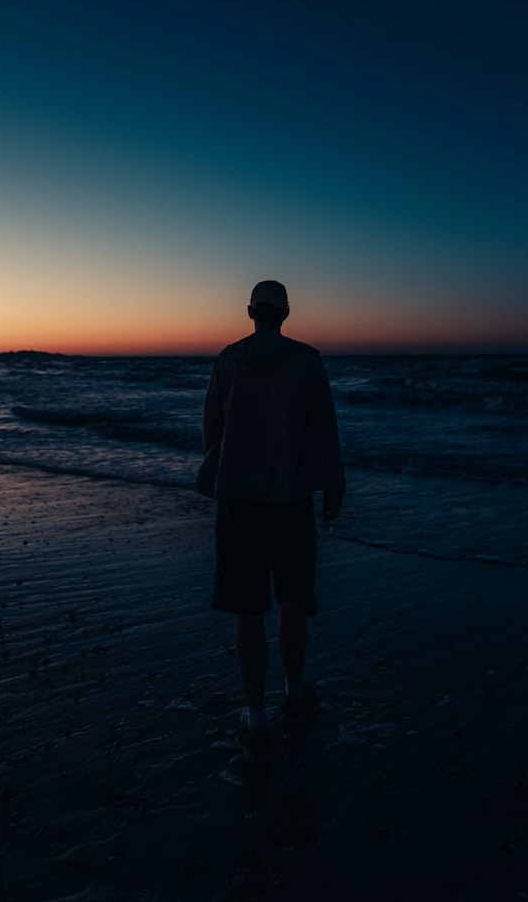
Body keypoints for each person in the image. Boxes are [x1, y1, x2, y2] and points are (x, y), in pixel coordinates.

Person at [197, 280, 346, 762]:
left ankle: (257, 719)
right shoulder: (306, 360)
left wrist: (218, 471)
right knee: (293, 598)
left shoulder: (229, 359)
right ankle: (296, 697)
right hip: (290, 498)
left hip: (238, 498)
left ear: (249, 312)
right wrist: (334, 483)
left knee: (247, 608)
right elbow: (324, 426)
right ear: (285, 313)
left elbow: (211, 428)